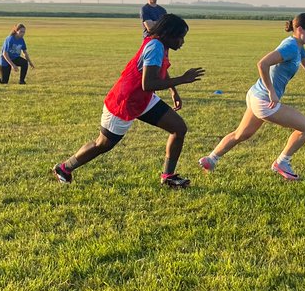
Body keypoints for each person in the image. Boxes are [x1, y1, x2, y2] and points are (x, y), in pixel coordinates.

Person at [52, 12, 205, 189]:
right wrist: (182, 79)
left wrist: (173, 91)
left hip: (142, 100)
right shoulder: (155, 47)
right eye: (180, 37)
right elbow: (148, 83)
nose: (182, 42)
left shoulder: (161, 45)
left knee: (179, 128)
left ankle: (168, 176)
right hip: (124, 101)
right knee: (102, 144)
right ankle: (64, 168)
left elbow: (158, 70)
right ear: (168, 34)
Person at [198, 12, 305, 182]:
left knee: (241, 134)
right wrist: (271, 92)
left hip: (255, 95)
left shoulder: (298, 46)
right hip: (264, 100)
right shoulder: (290, 46)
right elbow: (262, 63)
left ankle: (211, 159)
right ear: (299, 29)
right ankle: (282, 163)